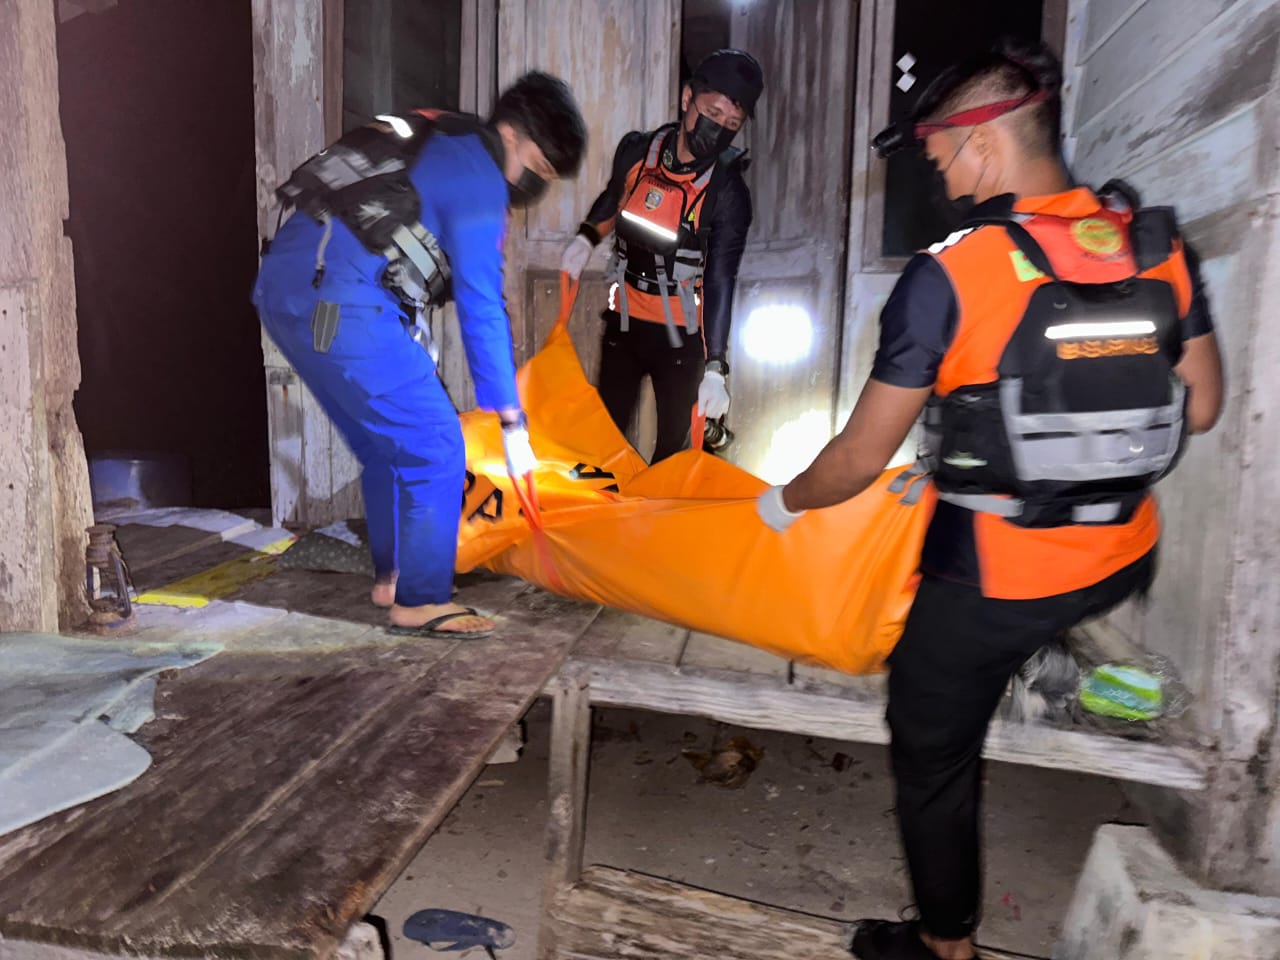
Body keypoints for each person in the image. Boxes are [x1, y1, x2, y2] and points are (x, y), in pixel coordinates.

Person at [757, 38, 1223, 960]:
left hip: (1001, 577)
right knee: (987, 566)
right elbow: (1201, 409)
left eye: (939, 157)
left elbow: (857, 458)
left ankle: (946, 946)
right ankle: (1040, 657)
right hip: (1122, 555)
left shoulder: (952, 273)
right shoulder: (1155, 244)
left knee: (928, 741)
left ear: (982, 143)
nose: (941, 179)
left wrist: (785, 504)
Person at [252, 73, 586, 639]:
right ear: (513, 134)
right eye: (539, 168)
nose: (531, 184)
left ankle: (394, 577)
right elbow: (482, 304)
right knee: (434, 445)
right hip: (341, 299)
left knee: (387, 446)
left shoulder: (440, 135)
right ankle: (423, 600)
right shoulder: (480, 175)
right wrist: (510, 417)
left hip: (286, 289)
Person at [561, 49, 762, 462]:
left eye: (732, 124)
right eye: (713, 112)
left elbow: (721, 278)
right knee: (606, 439)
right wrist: (585, 237)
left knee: (673, 453)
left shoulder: (727, 192)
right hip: (624, 323)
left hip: (682, 339)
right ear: (688, 99)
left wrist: (716, 366)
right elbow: (613, 198)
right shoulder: (638, 152)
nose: (719, 129)